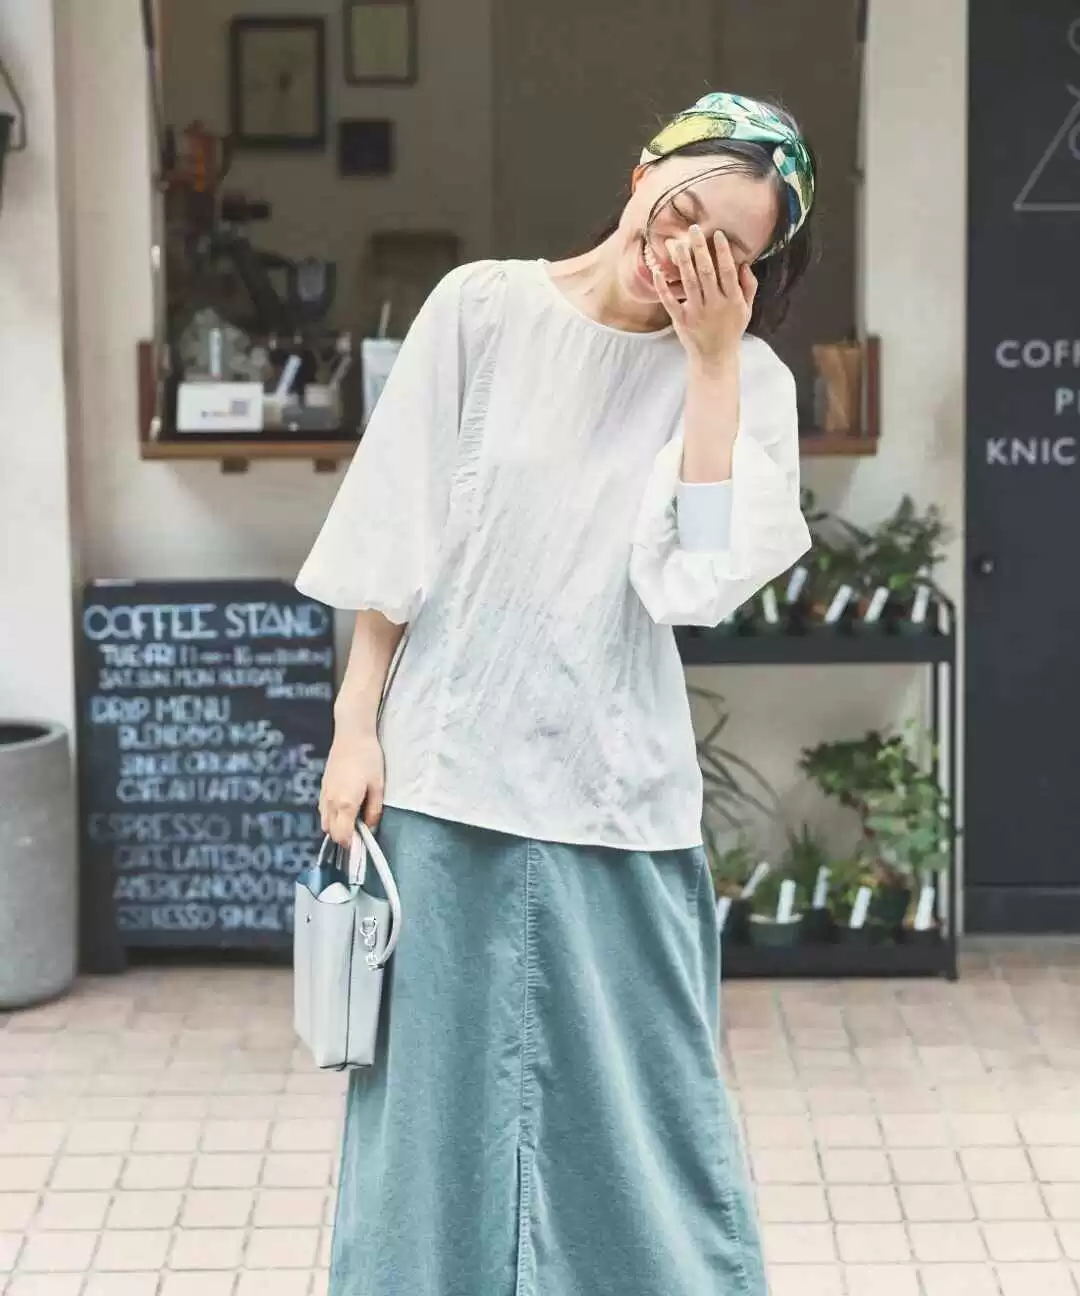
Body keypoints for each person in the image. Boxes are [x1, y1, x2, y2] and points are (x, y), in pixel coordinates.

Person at [297, 91, 815, 1296]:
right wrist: (354, 724)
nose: (685, 253)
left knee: (646, 1134)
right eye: (681, 211)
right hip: (444, 784)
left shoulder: (749, 382)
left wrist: (710, 365)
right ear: (641, 173)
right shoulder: (481, 309)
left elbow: (696, 583)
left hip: (617, 803)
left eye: (729, 251)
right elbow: (396, 536)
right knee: (425, 1139)